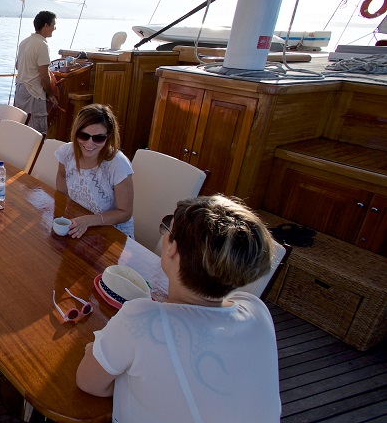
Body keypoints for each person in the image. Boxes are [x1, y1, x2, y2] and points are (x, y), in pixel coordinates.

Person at [77, 195, 281, 423]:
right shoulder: (257, 312)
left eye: (168, 229)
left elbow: (88, 382)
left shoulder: (141, 318)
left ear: (172, 249)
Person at [55, 104, 134, 238]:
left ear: (108, 136)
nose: (89, 144)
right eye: (84, 135)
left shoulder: (118, 164)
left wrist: (88, 221)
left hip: (112, 234)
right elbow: (62, 177)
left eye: (98, 138)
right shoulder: (67, 152)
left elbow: (125, 212)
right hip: (78, 224)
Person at [14, 10, 59, 134]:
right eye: (53, 24)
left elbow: (18, 66)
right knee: (36, 133)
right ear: (46, 25)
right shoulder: (42, 45)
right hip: (33, 93)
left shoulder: (24, 42)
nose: (54, 28)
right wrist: (50, 95)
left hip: (21, 90)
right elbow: (44, 77)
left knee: (21, 128)